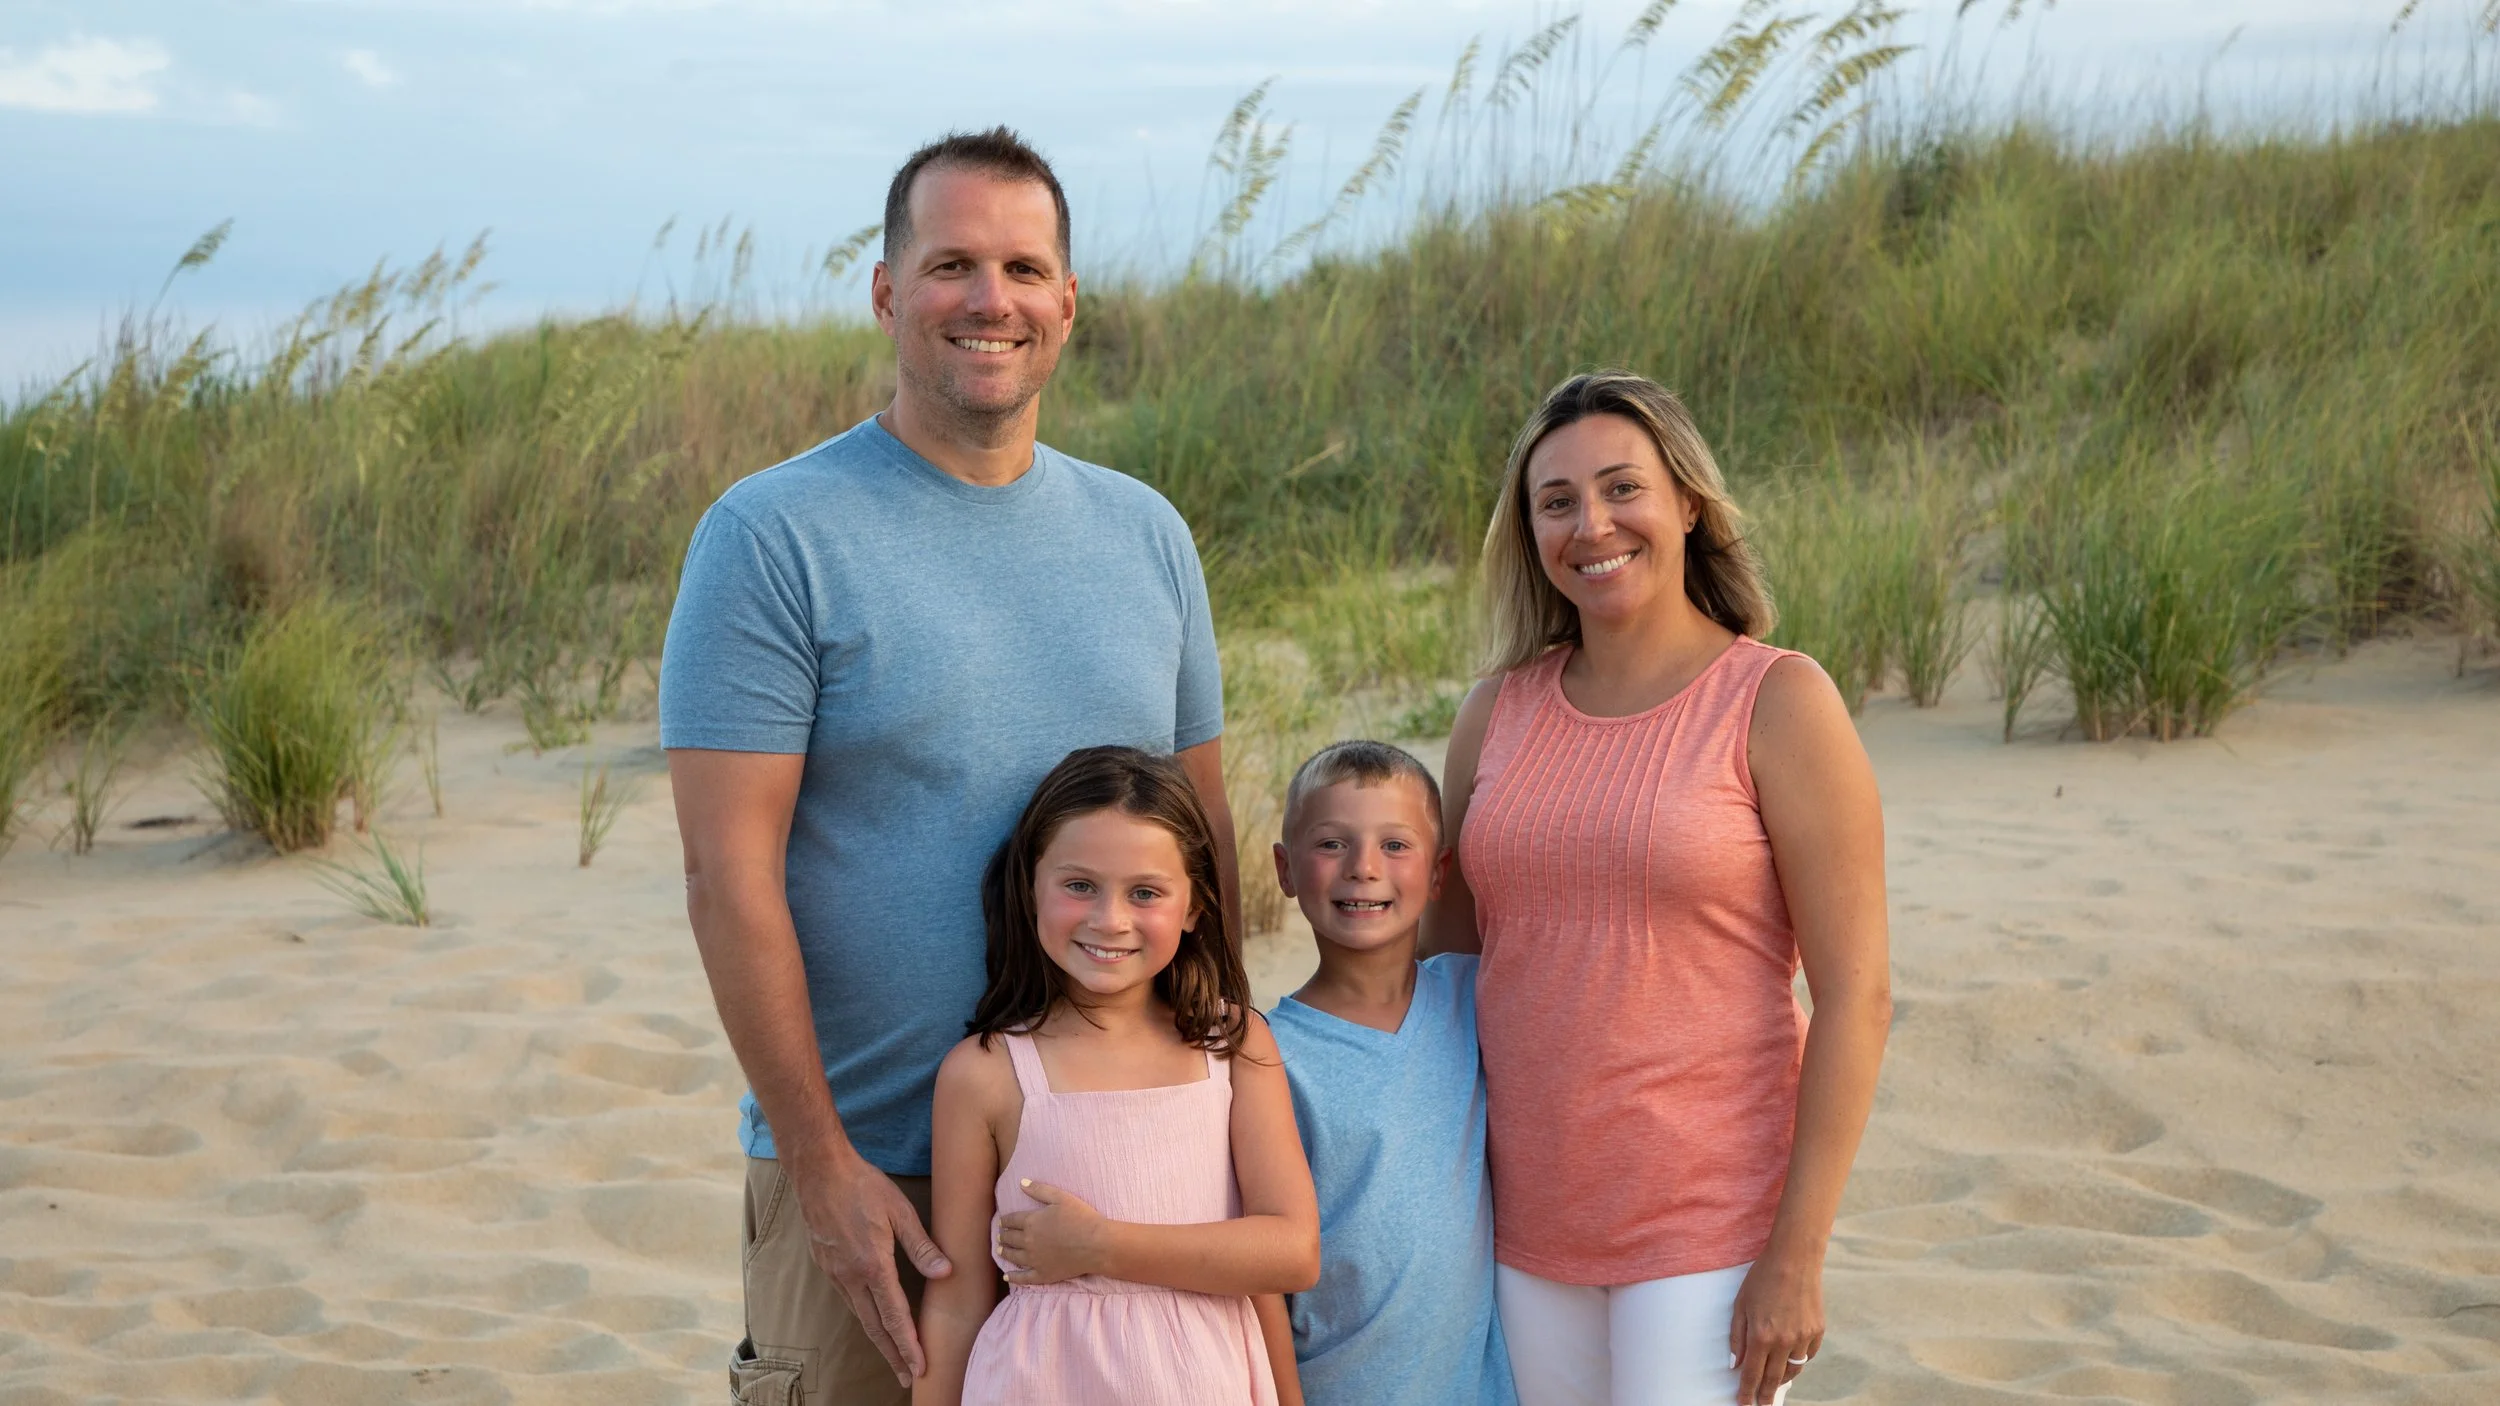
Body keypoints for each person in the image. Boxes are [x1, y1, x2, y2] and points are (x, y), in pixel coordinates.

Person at [658, 128, 1238, 1406]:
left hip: (1121, 1167)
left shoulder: (1147, 535)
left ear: (1068, 303)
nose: (992, 300)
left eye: (1025, 267)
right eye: (951, 264)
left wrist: (1229, 1104)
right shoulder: (772, 535)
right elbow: (726, 874)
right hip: (883, 1177)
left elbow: (1201, 841)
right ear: (885, 291)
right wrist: (818, 1167)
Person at [1426, 370, 1892, 1406]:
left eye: (1620, 487)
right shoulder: (1493, 712)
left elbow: (1857, 996)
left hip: (1710, 1231)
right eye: (1556, 501)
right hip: (1520, 1227)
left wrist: (1797, 1254)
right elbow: (1442, 970)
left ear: (1686, 500)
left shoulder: (1778, 700)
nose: (1591, 523)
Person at [914, 745, 1319, 1405]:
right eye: (1080, 885)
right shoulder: (984, 1074)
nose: (1110, 919)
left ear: (1193, 907)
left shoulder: (1234, 1045)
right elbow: (956, 1305)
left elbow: (1288, 1254)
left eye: (1146, 893)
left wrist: (1100, 1246)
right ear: (1030, 887)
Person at [1267, 740, 1517, 1406]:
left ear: (1439, 874)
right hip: (1334, 1388)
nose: (1364, 869)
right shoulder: (1265, 1055)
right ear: (1284, 870)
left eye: (1395, 846)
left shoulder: (1473, 997)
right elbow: (1260, 1270)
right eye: (1331, 844)